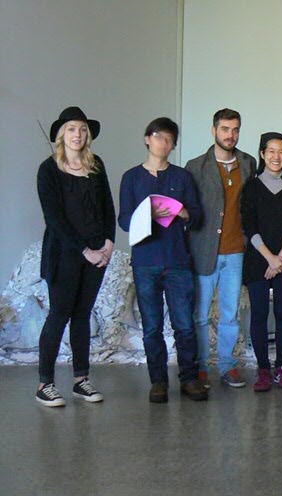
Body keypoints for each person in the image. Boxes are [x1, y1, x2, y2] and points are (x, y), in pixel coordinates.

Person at [118, 117, 208, 403]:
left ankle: (189, 379)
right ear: (147, 139)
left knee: (184, 323)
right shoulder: (131, 177)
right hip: (145, 260)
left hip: (178, 260)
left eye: (170, 139)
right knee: (152, 326)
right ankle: (158, 381)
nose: (163, 143)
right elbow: (123, 219)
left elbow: (197, 216)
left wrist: (181, 212)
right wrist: (145, 215)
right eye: (159, 137)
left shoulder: (181, 177)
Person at [35, 107, 116, 407]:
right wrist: (85, 251)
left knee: (82, 316)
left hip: (97, 254)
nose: (78, 135)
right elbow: (54, 218)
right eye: (71, 129)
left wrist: (108, 243)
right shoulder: (49, 169)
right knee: (60, 315)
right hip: (64, 255)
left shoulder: (96, 166)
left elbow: (107, 206)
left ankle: (81, 379)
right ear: (61, 134)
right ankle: (45, 383)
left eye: (82, 129)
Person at [186, 108, 256, 390]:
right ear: (213, 130)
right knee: (200, 314)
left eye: (235, 129)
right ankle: (200, 366)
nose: (231, 135)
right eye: (225, 129)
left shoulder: (248, 163)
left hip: (236, 250)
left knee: (230, 313)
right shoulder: (196, 166)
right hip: (203, 249)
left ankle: (227, 365)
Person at [240, 133, 282, 392]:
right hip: (259, 260)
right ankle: (263, 370)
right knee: (258, 314)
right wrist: (269, 257)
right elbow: (249, 224)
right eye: (271, 151)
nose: (276, 157)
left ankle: (281, 368)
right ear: (262, 154)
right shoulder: (252, 186)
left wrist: (281, 258)